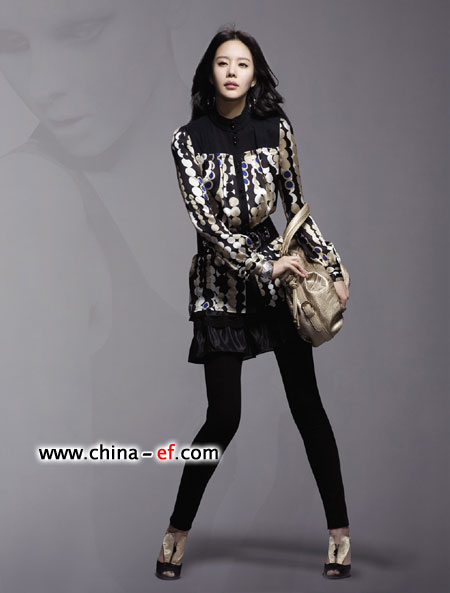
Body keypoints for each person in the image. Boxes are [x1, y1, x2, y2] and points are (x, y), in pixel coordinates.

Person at [156, 26, 352, 581]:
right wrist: (262, 264)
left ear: (255, 75)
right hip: (219, 288)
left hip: (282, 286)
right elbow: (206, 224)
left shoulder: (276, 130)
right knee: (223, 418)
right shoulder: (187, 140)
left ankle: (340, 536)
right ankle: (176, 533)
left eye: (242, 64)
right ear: (210, 72)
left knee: (307, 407)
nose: (232, 72)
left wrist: (333, 267)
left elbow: (296, 208)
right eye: (223, 63)